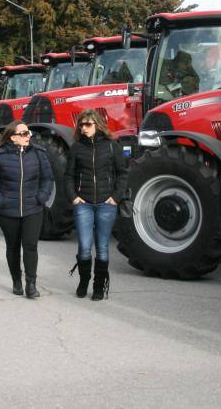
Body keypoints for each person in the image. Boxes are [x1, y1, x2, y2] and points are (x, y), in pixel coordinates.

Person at [0, 121, 53, 298]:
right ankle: (16, 280)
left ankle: (31, 284)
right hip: (8, 211)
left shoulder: (38, 154)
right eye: (23, 134)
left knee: (30, 246)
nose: (28, 136)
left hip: (33, 209)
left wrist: (41, 197)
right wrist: (0, 201)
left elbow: (47, 178)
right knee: (13, 247)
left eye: (28, 132)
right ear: (13, 137)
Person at [64, 109, 127, 301]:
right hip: (83, 204)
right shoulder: (76, 148)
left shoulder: (111, 146)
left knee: (102, 247)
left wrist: (115, 197)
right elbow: (68, 175)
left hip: (106, 204)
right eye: (81, 125)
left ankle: (99, 287)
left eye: (88, 124)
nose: (84, 128)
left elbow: (122, 173)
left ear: (97, 125)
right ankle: (84, 282)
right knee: (84, 246)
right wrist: (74, 197)